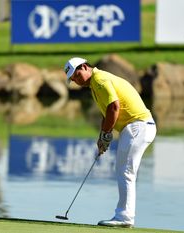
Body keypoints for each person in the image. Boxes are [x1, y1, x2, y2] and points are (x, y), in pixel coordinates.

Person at [64, 57, 156, 228]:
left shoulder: (99, 80)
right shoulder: (95, 83)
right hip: (137, 127)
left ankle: (124, 217)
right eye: (73, 79)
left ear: (84, 67)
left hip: (138, 125)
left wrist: (106, 133)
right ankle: (124, 216)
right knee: (124, 170)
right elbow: (108, 113)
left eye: (76, 76)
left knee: (125, 171)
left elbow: (114, 106)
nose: (76, 81)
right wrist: (103, 136)